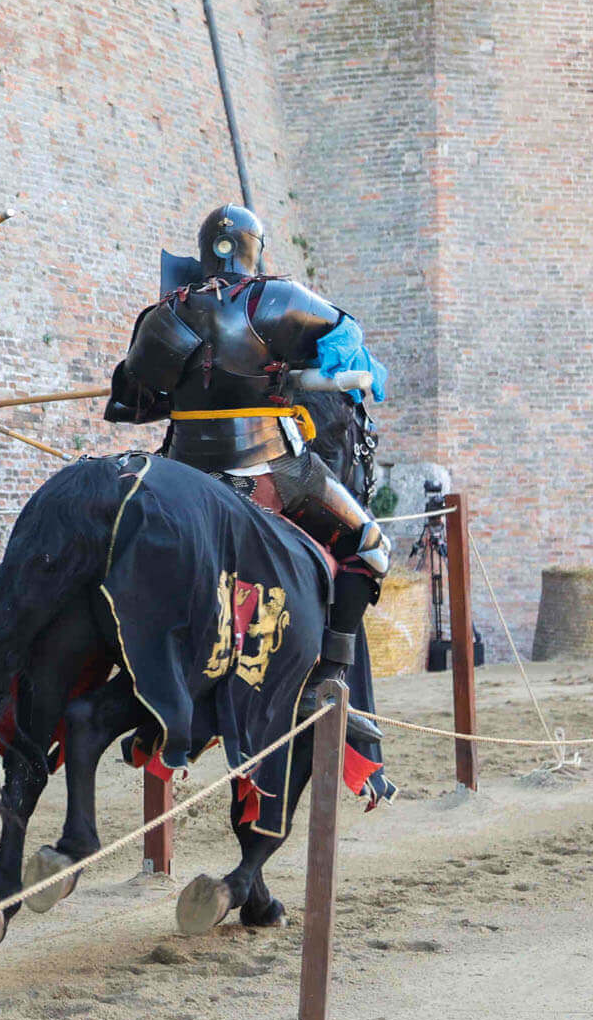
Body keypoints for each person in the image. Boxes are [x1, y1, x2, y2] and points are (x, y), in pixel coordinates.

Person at [104, 203, 391, 744]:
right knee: (370, 545)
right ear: (253, 249)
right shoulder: (280, 300)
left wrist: (193, 389)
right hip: (273, 466)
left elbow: (130, 405)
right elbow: (346, 343)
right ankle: (327, 678)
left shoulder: (164, 314)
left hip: (183, 470)